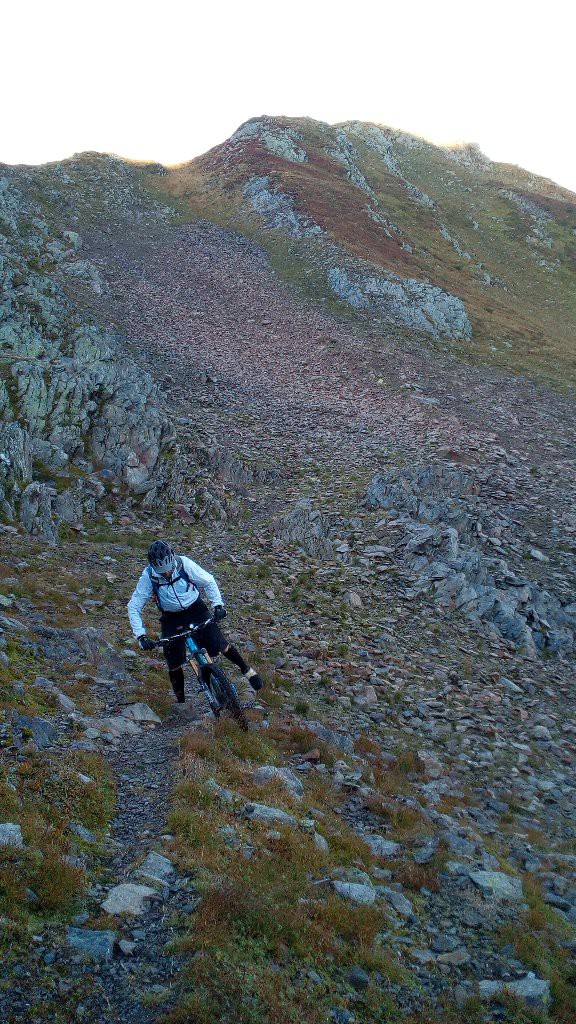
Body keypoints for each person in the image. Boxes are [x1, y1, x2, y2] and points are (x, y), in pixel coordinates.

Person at [127, 540, 263, 704]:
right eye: (162, 572)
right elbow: (134, 606)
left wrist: (218, 605)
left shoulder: (183, 564)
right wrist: (141, 636)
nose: (167, 574)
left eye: (169, 570)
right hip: (171, 617)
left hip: (195, 609)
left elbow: (209, 581)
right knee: (174, 663)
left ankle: (247, 670)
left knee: (220, 644)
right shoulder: (148, 577)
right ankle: (181, 703)